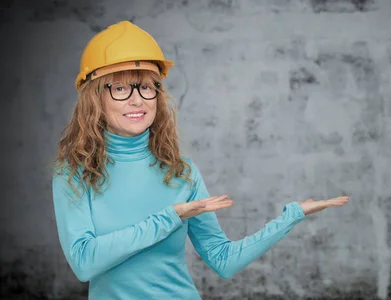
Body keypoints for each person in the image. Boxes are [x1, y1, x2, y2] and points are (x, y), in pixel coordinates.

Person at [51, 20, 349, 299]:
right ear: (95, 98)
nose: (137, 99)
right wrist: (169, 217)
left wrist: (292, 215)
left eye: (146, 86)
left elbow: (223, 260)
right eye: (119, 88)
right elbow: (84, 262)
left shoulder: (181, 171)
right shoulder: (73, 173)